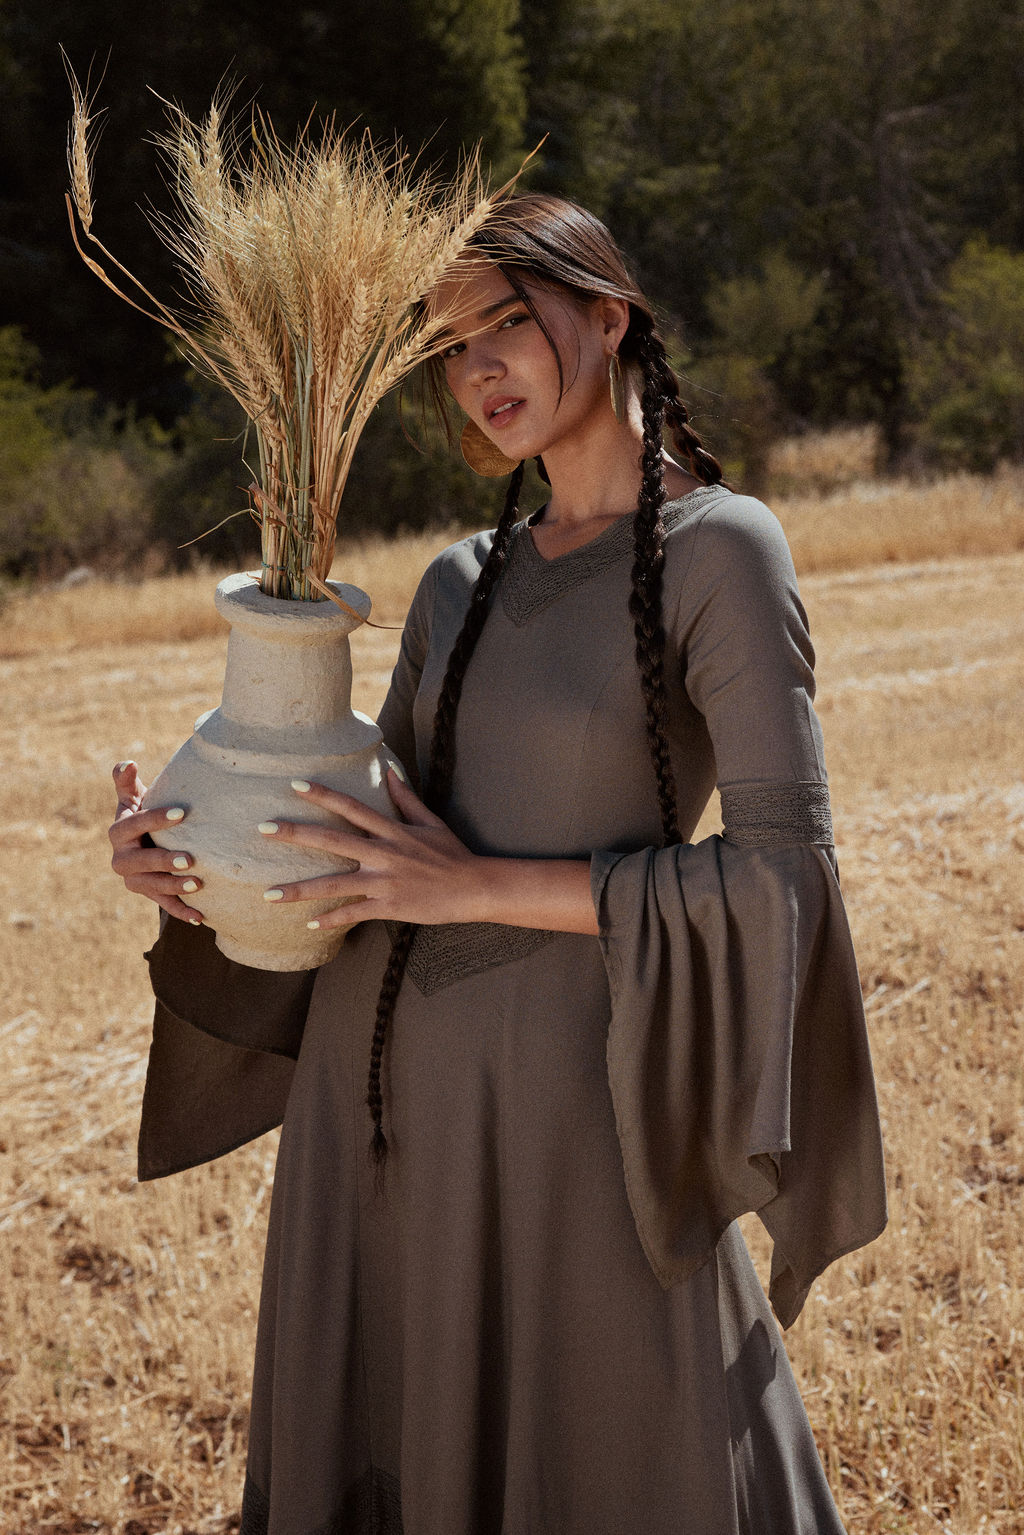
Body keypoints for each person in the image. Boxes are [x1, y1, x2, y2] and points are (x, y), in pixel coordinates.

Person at [109, 193, 887, 1535]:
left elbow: (783, 884)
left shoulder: (721, 551)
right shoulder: (456, 580)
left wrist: (470, 886)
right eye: (448, 346)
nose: (476, 369)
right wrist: (190, 864)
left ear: (610, 315)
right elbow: (360, 844)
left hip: (573, 1120)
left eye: (506, 324)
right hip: (377, 1118)